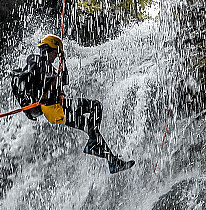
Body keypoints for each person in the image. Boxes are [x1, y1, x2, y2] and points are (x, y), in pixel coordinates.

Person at [12, 34, 135, 174]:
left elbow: (64, 80)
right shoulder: (35, 59)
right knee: (89, 127)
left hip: (60, 104)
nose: (55, 56)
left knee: (95, 106)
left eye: (57, 53)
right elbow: (24, 78)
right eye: (54, 53)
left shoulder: (51, 68)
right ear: (48, 49)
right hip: (53, 110)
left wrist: (62, 59)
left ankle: (97, 147)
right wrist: (26, 107)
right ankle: (109, 159)